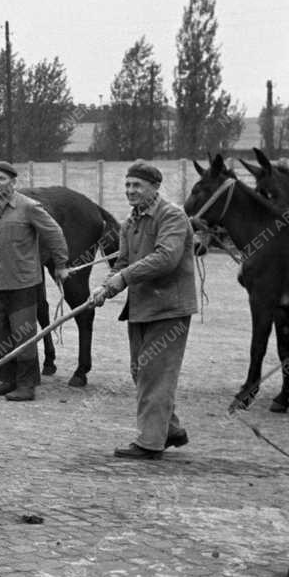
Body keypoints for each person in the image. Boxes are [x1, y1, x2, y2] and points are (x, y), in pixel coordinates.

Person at [91, 160, 197, 460]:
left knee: (155, 374)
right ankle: (171, 430)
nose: (130, 191)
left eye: (137, 185)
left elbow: (167, 258)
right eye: (127, 185)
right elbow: (122, 264)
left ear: (154, 187)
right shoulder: (130, 223)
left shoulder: (172, 216)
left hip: (169, 309)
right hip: (140, 308)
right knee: (141, 371)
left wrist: (122, 278)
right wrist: (105, 287)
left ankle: (151, 443)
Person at [0, 161, 70, 401]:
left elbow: (54, 232)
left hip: (23, 284)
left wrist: (62, 264)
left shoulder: (28, 207)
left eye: (1, 179)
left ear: (13, 182)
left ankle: (26, 385)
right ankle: (6, 379)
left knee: (23, 335)